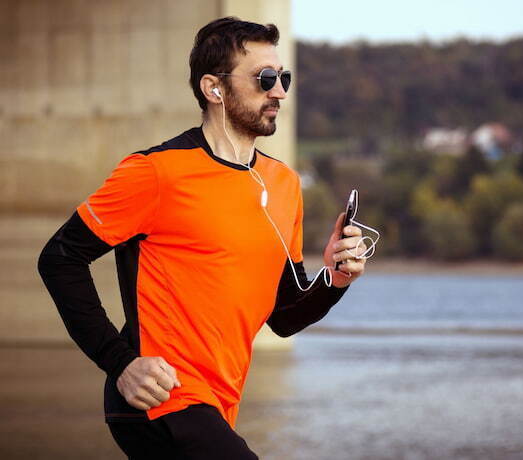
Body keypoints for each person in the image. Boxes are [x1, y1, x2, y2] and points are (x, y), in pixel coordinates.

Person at [37, 17, 367, 459]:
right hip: (158, 398)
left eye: (283, 77)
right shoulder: (156, 172)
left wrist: (336, 278)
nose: (280, 92)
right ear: (214, 88)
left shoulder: (284, 183)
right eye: (264, 79)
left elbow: (284, 316)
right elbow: (59, 259)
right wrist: (120, 363)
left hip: (217, 403)